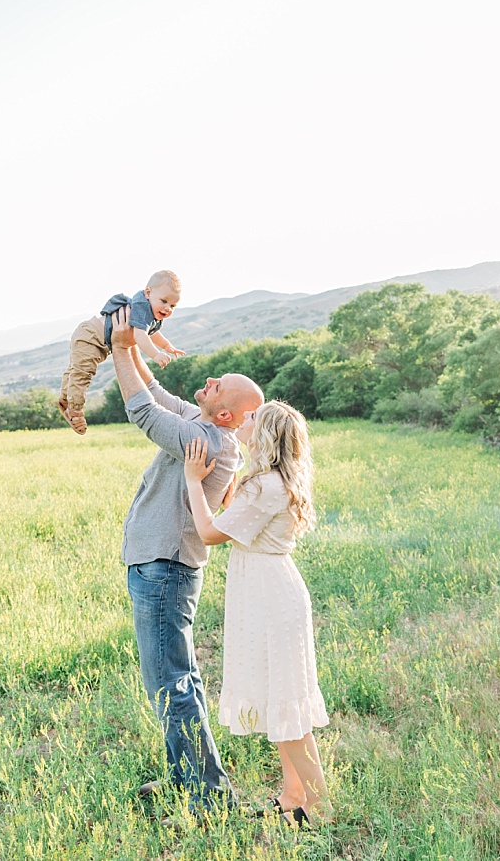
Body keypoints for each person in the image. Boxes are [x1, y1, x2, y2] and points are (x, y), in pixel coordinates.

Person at [110, 315, 264, 819]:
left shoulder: (211, 443)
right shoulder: (203, 427)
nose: (206, 383)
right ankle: (185, 780)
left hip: (165, 571)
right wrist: (133, 342)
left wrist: (115, 345)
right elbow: (154, 390)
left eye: (217, 387)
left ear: (225, 415)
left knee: (172, 685)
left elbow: (143, 412)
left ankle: (210, 799)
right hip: (159, 567)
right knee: (179, 682)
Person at [184, 400, 329, 825]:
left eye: (251, 418)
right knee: (279, 700)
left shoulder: (264, 485)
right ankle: (292, 794)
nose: (244, 420)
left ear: (264, 433)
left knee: (288, 705)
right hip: (273, 589)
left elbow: (210, 533)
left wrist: (195, 482)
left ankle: (319, 809)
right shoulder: (274, 480)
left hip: (269, 595)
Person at [57, 268, 185, 433]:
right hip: (90, 335)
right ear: (148, 293)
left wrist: (167, 346)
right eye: (164, 301)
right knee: (82, 373)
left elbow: (153, 333)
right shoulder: (142, 307)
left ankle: (65, 399)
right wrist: (155, 354)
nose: (168, 308)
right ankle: (75, 410)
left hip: (95, 339)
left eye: (173, 305)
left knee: (75, 370)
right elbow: (141, 335)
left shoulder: (151, 314)